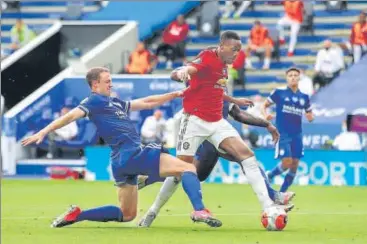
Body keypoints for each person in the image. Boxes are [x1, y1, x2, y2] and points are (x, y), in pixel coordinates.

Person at [21, 67, 222, 228]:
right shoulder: (92, 101)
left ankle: (78, 215)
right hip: (133, 153)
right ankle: (199, 210)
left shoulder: (113, 102)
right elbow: (70, 116)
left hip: (120, 161)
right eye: (107, 81)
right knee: (188, 168)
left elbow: (145, 102)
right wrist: (43, 132)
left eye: (111, 80)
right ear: (94, 84)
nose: (111, 84)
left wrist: (175, 93)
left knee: (127, 215)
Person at [143, 31, 292, 225]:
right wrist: (181, 72)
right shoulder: (207, 57)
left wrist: (234, 100)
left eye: (239, 50)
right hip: (194, 120)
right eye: (233, 49)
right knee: (181, 171)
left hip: (217, 123)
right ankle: (152, 212)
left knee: (247, 156)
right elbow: (187, 70)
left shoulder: (224, 67)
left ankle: (268, 206)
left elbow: (216, 89)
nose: (236, 53)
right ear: (222, 46)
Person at [137, 101, 295, 227]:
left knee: (193, 173)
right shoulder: (204, 86)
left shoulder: (222, 92)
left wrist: (264, 124)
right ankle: (152, 207)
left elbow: (238, 114)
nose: (223, 77)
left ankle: (151, 181)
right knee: (243, 160)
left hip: (220, 139)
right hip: (206, 141)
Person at [262, 67, 314, 193]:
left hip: (297, 134)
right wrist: (265, 115)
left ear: (299, 78)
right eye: (290, 75)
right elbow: (264, 105)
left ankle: (282, 193)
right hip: (282, 133)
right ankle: (269, 176)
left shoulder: (304, 97)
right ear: (287, 78)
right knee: (287, 162)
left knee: (294, 165)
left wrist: (310, 116)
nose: (293, 77)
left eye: (295, 75)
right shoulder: (279, 93)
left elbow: (309, 113)